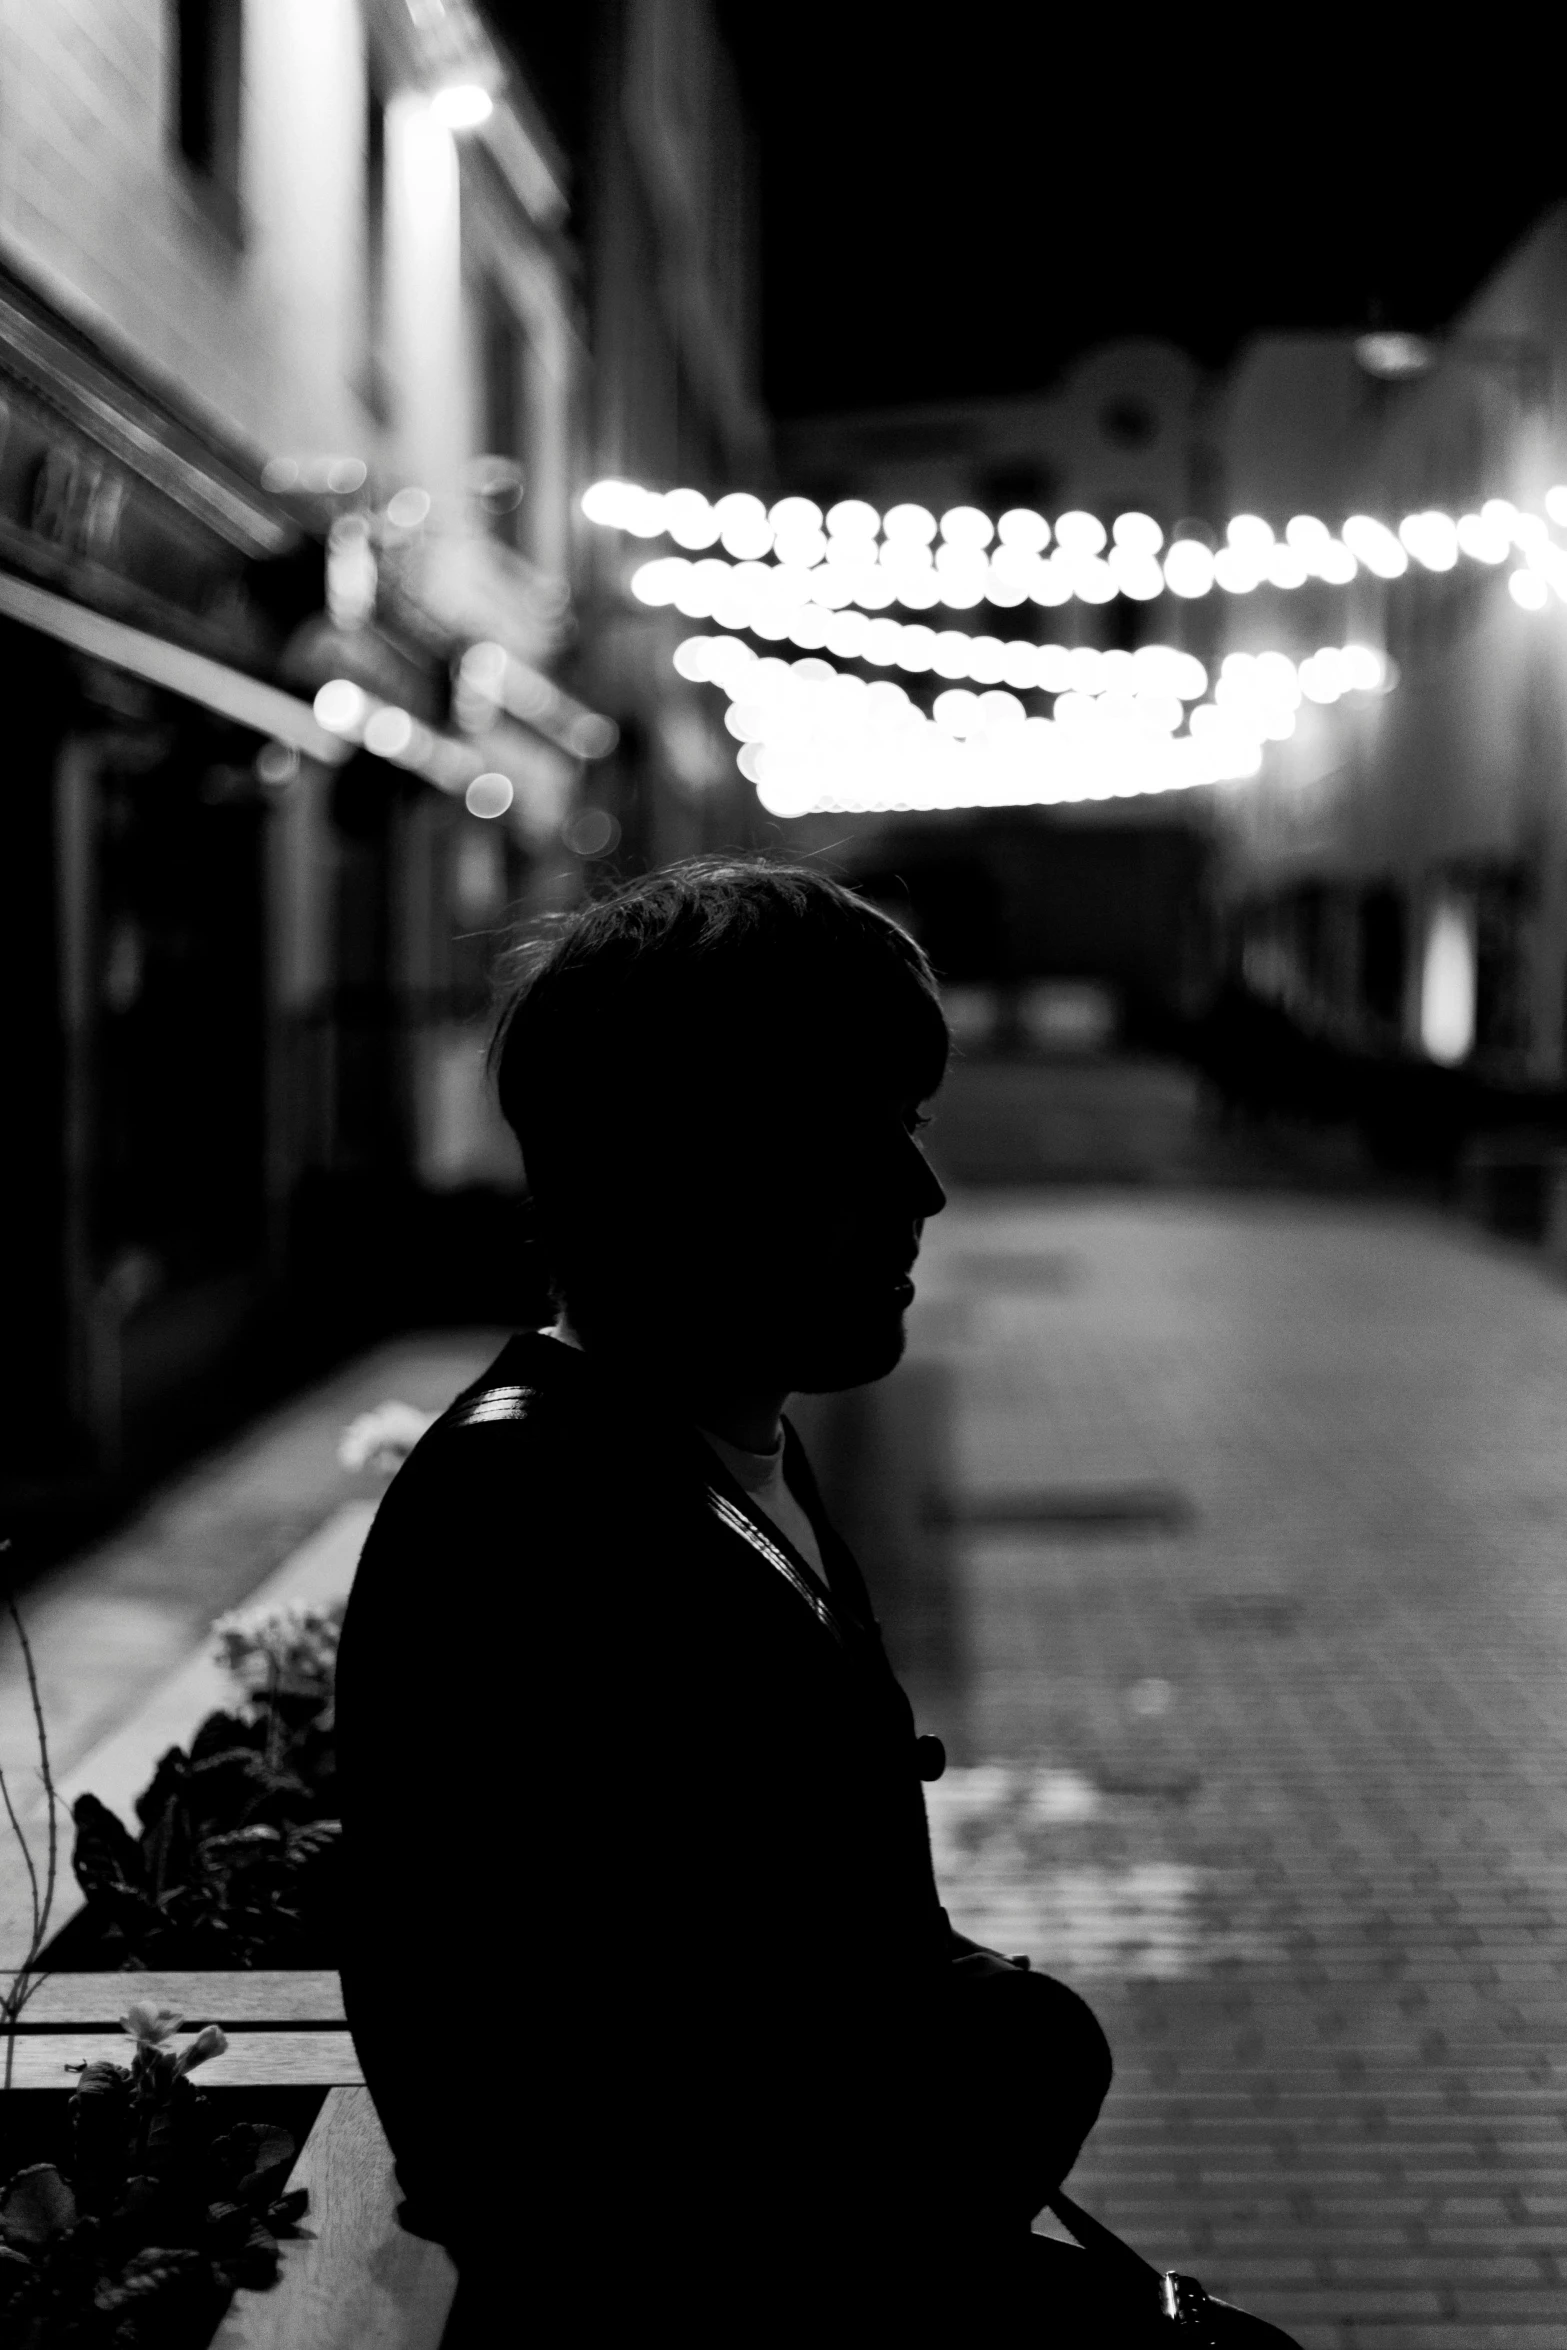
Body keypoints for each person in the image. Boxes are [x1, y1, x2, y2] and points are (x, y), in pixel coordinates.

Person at [336, 859, 1112, 2342]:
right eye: (855, 1141)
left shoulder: (708, 1438)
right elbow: (588, 2145)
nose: (922, 1193)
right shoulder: (542, 1535)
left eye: (916, 1124)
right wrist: (1020, 2055)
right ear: (686, 1175)